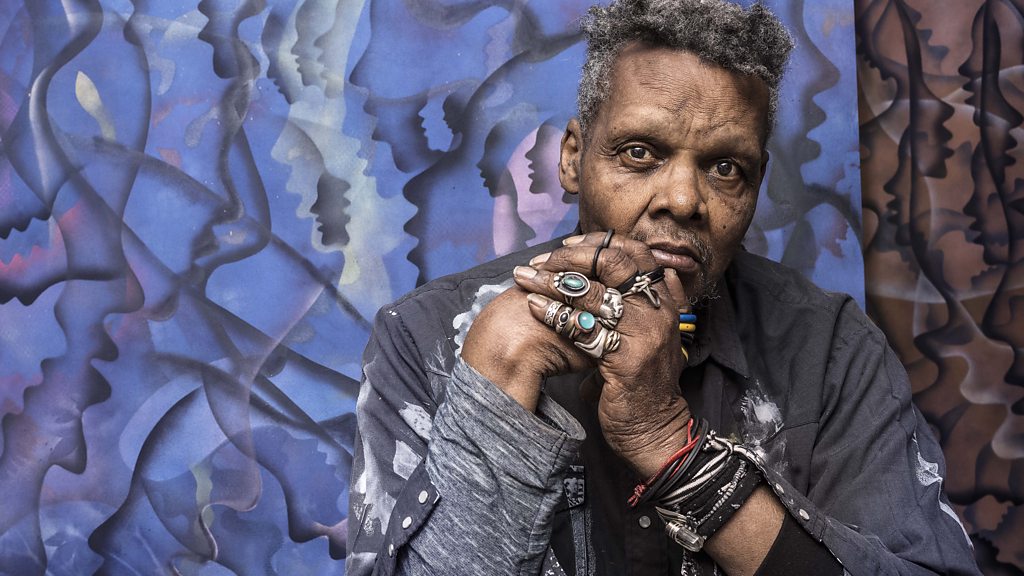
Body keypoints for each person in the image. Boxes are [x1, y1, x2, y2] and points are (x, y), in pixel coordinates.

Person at [346, 0, 981, 574]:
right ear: (573, 158)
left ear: (757, 184)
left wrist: (670, 445)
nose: (682, 199)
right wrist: (501, 385)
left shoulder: (829, 351)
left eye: (725, 167)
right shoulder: (428, 338)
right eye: (640, 153)